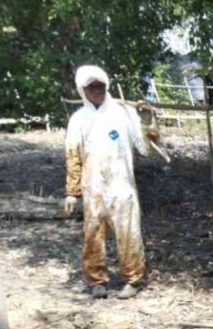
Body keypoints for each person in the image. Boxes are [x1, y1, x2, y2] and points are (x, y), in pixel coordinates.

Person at [64, 65, 158, 299]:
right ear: (82, 89)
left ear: (107, 86)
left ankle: (133, 280)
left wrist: (147, 123)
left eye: (101, 85)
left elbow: (146, 149)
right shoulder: (78, 119)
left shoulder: (124, 114)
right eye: (91, 86)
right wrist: (71, 192)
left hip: (122, 186)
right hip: (92, 187)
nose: (97, 90)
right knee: (93, 235)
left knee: (129, 233)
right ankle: (97, 281)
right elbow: (73, 156)